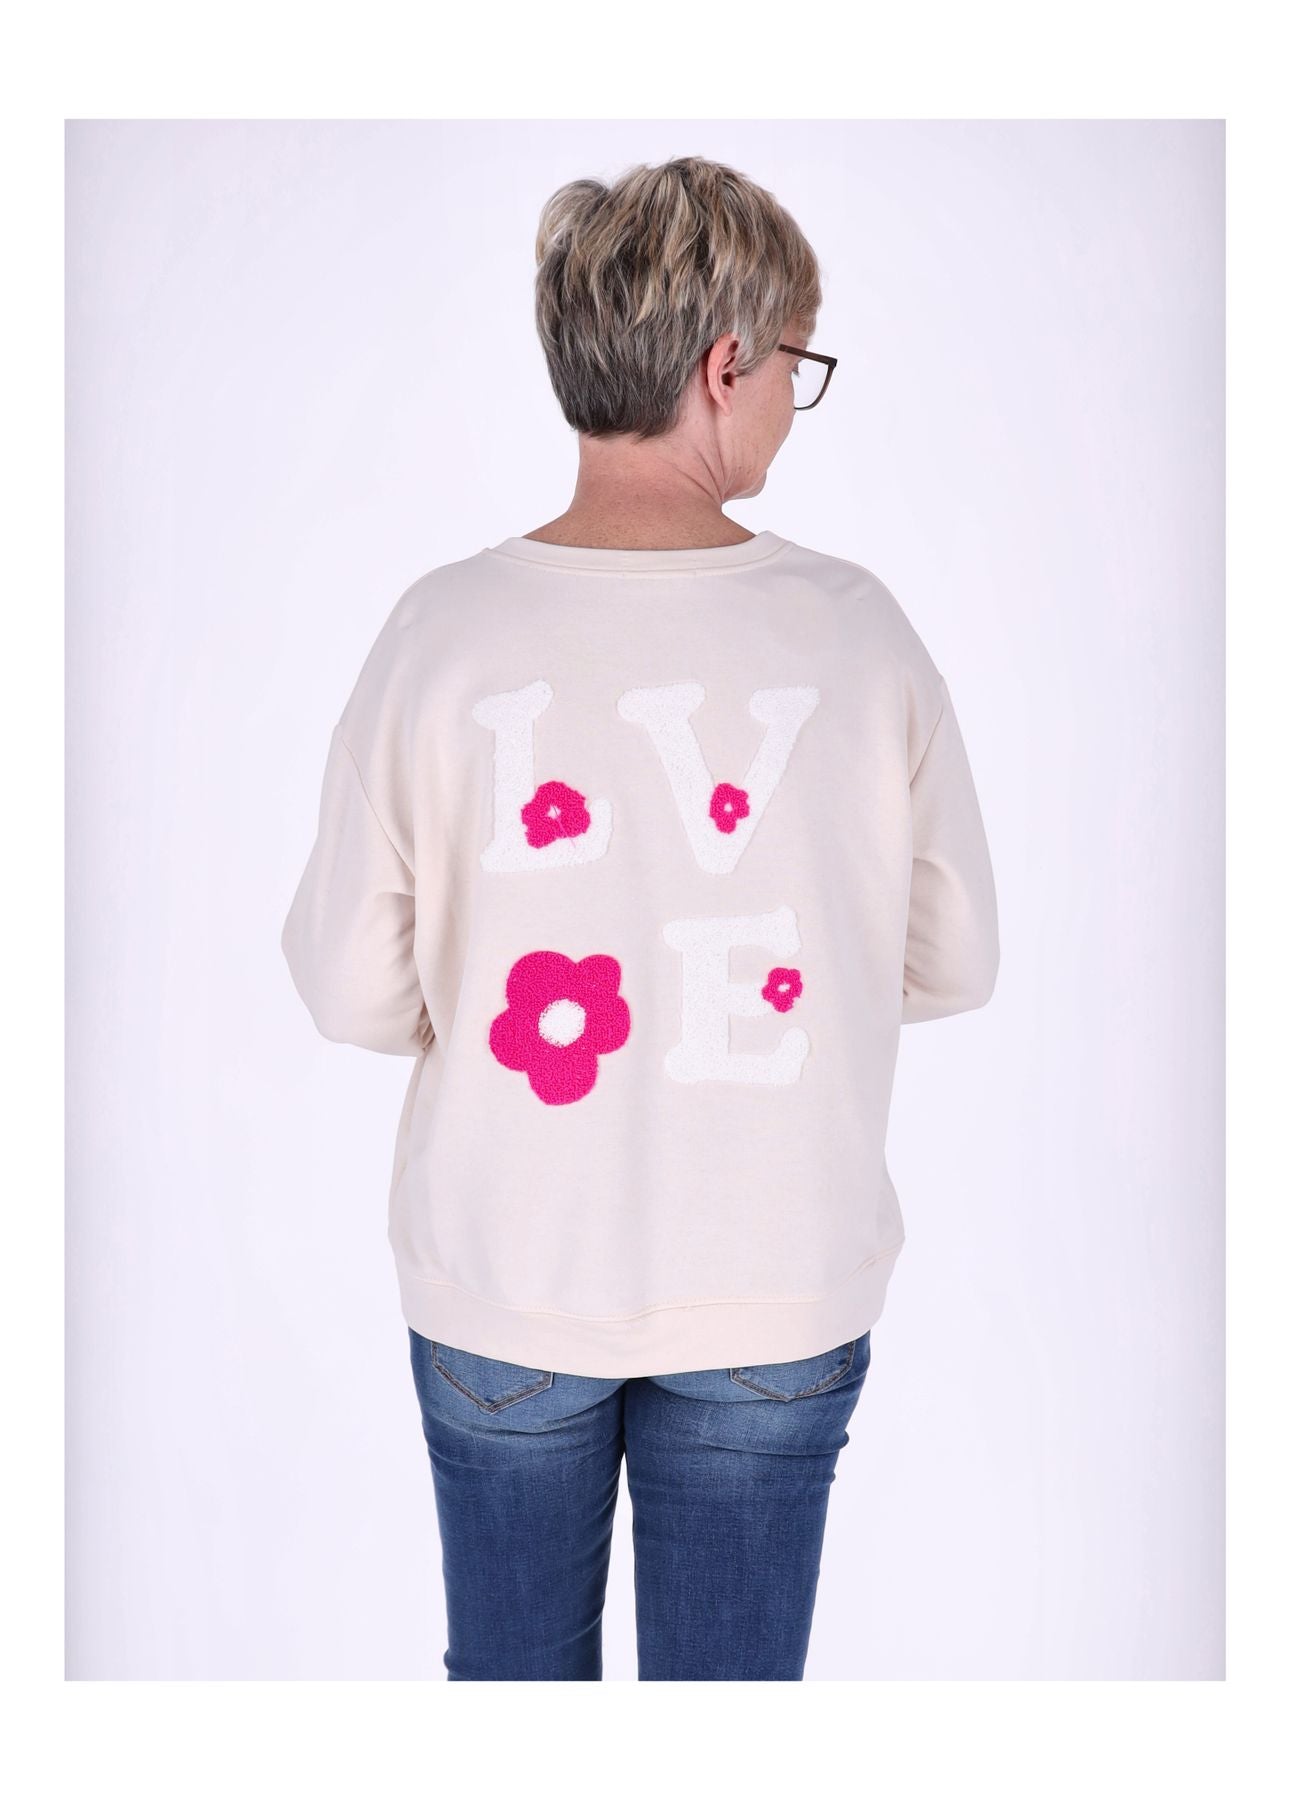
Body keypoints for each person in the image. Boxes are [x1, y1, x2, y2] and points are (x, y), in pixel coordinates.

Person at [280, 154, 1000, 1681]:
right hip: (774, 1275)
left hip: (506, 1275)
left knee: (515, 1707)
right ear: (723, 364)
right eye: (794, 364)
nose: (791, 400)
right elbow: (952, 957)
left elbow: (348, 988)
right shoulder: (855, 636)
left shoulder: (439, 632)